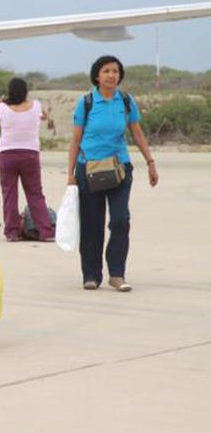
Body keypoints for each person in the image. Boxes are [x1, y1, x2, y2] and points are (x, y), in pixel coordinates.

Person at [67, 55, 158, 292]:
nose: (111, 75)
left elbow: (137, 133)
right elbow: (75, 139)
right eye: (106, 71)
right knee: (92, 225)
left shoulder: (126, 101)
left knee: (120, 220)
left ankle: (117, 274)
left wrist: (150, 162)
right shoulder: (86, 102)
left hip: (119, 170)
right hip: (90, 170)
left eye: (115, 71)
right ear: (97, 75)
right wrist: (70, 174)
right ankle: (91, 275)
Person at [0, 77, 55, 242]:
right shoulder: (35, 106)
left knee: (10, 195)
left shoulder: (2, 108)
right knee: (35, 194)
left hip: (8, 155)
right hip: (30, 154)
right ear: (26, 91)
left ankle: (12, 232)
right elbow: (45, 116)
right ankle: (46, 232)